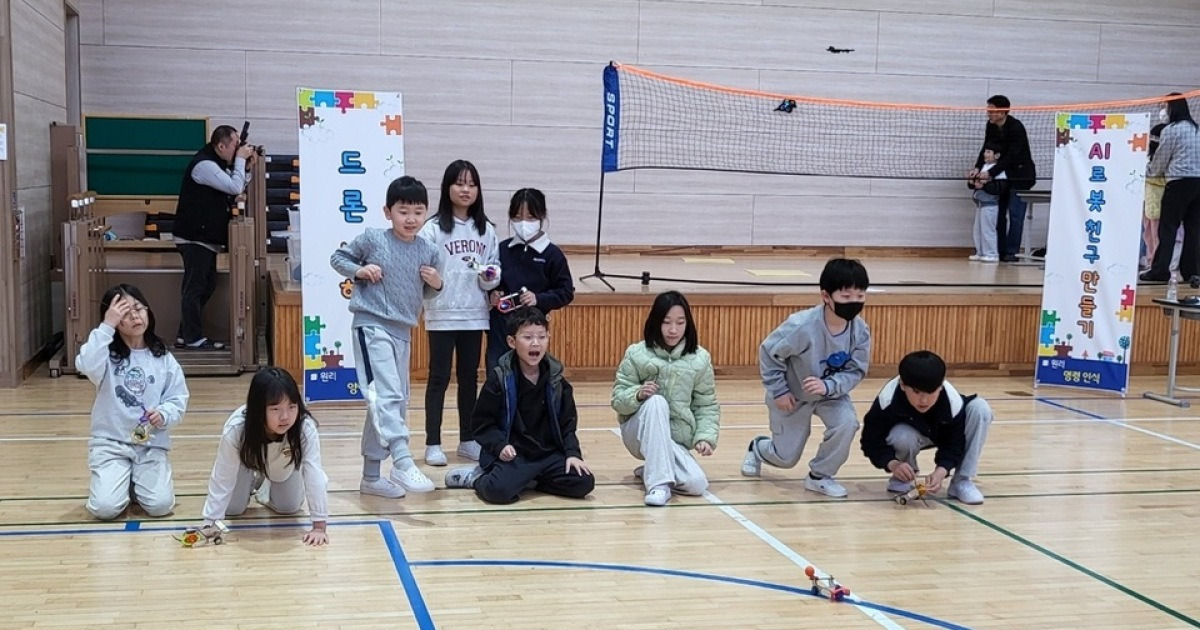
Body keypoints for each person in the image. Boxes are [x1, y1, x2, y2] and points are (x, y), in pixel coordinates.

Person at [330, 175, 444, 498]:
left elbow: (429, 294)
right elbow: (338, 258)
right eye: (403, 211)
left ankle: (371, 476)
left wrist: (437, 283)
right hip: (371, 324)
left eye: (418, 212)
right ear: (387, 211)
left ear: (426, 214)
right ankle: (403, 460)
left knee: (387, 400)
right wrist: (359, 271)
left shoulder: (429, 251)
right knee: (386, 393)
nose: (411, 219)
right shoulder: (373, 239)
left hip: (403, 332)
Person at [741, 258, 871, 498]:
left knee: (847, 423)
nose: (854, 302)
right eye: (846, 297)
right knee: (785, 458)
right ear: (826, 296)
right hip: (792, 395)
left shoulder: (860, 330)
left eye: (860, 296)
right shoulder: (801, 326)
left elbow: (856, 369)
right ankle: (757, 448)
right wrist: (779, 390)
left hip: (831, 394)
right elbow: (769, 352)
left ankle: (819, 476)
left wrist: (828, 386)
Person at [443, 308, 595, 505]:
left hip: (548, 455)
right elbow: (482, 424)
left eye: (541, 337)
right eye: (528, 337)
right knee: (498, 491)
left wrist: (573, 454)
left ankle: (528, 481)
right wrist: (499, 446)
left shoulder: (558, 382)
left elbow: (568, 425)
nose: (535, 343)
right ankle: (476, 478)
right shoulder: (499, 380)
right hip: (515, 456)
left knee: (583, 483)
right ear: (512, 342)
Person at [76, 284, 189, 520]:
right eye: (125, 314)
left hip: (150, 445)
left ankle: (135, 478)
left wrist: (164, 414)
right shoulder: (106, 355)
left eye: (139, 309)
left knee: (160, 506)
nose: (135, 316)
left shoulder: (162, 356)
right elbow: (84, 364)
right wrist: (106, 325)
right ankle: (118, 477)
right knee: (105, 509)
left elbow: (178, 397)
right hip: (111, 444)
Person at [418, 160, 500, 466]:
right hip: (441, 314)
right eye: (459, 183)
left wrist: (491, 277)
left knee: (469, 379)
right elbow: (422, 271)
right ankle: (433, 443)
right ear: (447, 187)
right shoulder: (433, 228)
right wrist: (436, 286)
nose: (466, 190)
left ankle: (468, 439)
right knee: (438, 378)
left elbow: (492, 273)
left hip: (475, 314)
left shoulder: (486, 230)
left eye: (471, 184)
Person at [612, 291, 720, 506]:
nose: (673, 330)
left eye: (680, 323)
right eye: (666, 322)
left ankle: (653, 467)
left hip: (675, 440)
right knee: (656, 402)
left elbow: (706, 403)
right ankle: (658, 485)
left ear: (687, 324)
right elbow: (618, 400)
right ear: (655, 322)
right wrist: (637, 394)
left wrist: (705, 437)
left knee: (696, 484)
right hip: (638, 434)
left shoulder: (700, 358)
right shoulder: (636, 353)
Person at [200, 367, 330, 545]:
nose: (285, 416)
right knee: (233, 509)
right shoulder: (236, 429)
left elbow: (314, 473)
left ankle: (265, 485)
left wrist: (319, 526)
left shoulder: (304, 428)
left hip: (283, 466)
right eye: (275, 409)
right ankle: (253, 479)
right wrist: (210, 522)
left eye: (292, 407)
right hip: (246, 463)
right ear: (259, 408)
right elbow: (223, 475)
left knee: (289, 507)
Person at [860, 351, 992, 505]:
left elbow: (954, 442)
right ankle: (903, 476)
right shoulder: (887, 400)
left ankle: (961, 481)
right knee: (901, 435)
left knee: (980, 408)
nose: (924, 400)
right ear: (902, 384)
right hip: (911, 433)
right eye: (916, 392)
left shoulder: (953, 403)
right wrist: (892, 463)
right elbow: (871, 440)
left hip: (940, 433)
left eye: (931, 392)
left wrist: (942, 470)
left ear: (941, 386)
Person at [172, 125, 255, 350]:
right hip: (194, 237)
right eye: (234, 144)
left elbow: (237, 185)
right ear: (221, 146)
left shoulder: (216, 164)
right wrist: (239, 160)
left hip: (203, 237)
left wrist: (244, 166)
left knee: (206, 285)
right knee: (196, 287)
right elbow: (234, 186)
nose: (238, 148)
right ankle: (192, 338)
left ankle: (185, 333)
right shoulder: (205, 166)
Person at [485, 188, 574, 372]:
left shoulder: (552, 254)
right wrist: (491, 295)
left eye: (531, 217)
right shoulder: (501, 249)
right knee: (497, 375)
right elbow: (489, 280)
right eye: (517, 217)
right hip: (501, 326)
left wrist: (539, 299)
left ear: (542, 217)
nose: (523, 223)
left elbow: (565, 292)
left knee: (530, 377)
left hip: (532, 329)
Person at [1141, 93, 1200, 289]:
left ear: (1172, 108)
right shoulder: (1197, 130)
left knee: (1167, 228)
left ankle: (1160, 270)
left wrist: (1147, 171)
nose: (1163, 111)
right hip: (1198, 185)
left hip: (1178, 184)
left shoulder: (1171, 131)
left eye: (1165, 106)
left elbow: (1160, 160)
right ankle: (1192, 271)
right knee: (1193, 230)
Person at [969, 95, 1036, 262]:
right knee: (999, 214)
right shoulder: (991, 126)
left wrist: (990, 173)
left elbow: (1011, 156)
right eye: (988, 110)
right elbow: (986, 147)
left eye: (992, 110)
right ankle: (996, 251)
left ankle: (1011, 252)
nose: (988, 113)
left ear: (1002, 112)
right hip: (1002, 176)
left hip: (1020, 176)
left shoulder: (1016, 127)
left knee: (1015, 215)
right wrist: (978, 168)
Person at [967, 141, 1006, 263]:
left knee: (988, 230)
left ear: (997, 155)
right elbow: (973, 185)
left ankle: (992, 253)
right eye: (985, 151)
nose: (985, 154)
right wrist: (972, 182)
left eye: (989, 152)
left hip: (990, 205)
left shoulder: (999, 171)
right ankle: (980, 252)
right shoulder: (983, 167)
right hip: (980, 204)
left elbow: (998, 189)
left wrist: (984, 185)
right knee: (977, 230)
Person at [1143, 123, 1168, 271]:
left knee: (1156, 235)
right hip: (1148, 202)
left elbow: (1158, 178)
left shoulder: (1163, 160)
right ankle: (1150, 261)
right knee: (1149, 234)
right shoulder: (1149, 158)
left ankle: (1155, 263)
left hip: (1158, 202)